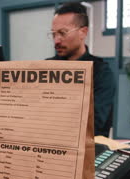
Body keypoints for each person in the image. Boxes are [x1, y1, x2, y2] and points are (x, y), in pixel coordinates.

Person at [46, 1, 115, 137]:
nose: (56, 40)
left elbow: (94, 124)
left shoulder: (101, 72)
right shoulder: (46, 68)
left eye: (63, 33)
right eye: (53, 34)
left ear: (83, 32)